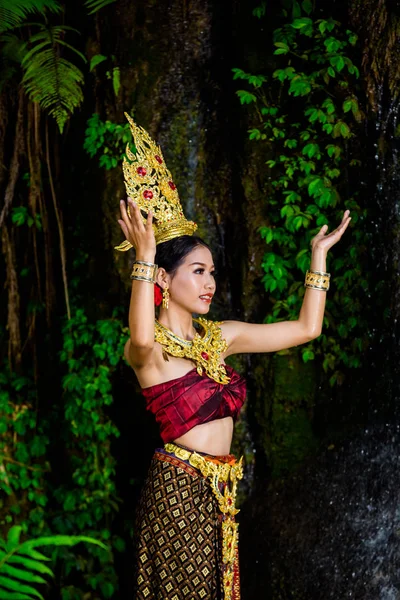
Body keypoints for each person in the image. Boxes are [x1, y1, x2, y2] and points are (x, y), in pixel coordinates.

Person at [116, 115, 351, 600]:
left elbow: (306, 329)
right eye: (198, 271)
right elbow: (140, 336)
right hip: (178, 492)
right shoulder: (149, 351)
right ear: (164, 280)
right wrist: (144, 259)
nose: (210, 283)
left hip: (223, 494)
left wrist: (318, 257)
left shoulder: (218, 337)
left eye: (212, 272)